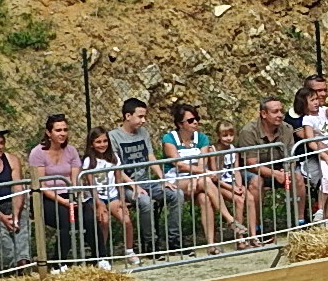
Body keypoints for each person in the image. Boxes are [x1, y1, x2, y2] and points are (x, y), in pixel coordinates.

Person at [110, 97, 183, 254]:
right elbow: (117, 168)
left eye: (145, 116)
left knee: (176, 193)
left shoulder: (143, 133)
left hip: (147, 180)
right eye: (140, 116)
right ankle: (150, 242)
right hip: (126, 184)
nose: (143, 120)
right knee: (144, 201)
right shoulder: (114, 137)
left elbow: (150, 157)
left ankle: (174, 240)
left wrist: (163, 179)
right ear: (128, 116)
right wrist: (134, 186)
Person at [160, 104, 230, 251]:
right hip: (176, 179)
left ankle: (211, 244)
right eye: (191, 120)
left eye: (196, 119)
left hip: (198, 179)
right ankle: (229, 218)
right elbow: (180, 165)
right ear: (180, 124)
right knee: (206, 180)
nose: (195, 123)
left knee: (205, 199)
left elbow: (202, 162)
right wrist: (198, 174)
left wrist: (196, 176)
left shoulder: (202, 138)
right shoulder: (169, 139)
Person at [30, 115, 98, 265]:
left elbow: (75, 179)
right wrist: (63, 202)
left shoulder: (71, 151)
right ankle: (59, 262)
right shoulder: (38, 153)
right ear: (49, 133)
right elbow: (40, 184)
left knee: (89, 216)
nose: (62, 133)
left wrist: (76, 196)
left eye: (65, 130)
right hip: (46, 197)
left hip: (69, 193)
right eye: (58, 130)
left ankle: (99, 257)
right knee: (65, 220)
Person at [238, 96, 302, 233]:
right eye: (275, 112)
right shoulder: (248, 132)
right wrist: (275, 174)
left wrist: (286, 171)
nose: (280, 115)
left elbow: (291, 156)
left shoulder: (287, 129)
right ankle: (256, 227)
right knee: (256, 182)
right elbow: (251, 164)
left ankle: (300, 222)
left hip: (280, 169)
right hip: (253, 171)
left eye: (281, 111)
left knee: (298, 177)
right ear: (263, 114)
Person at [82, 128, 136, 265]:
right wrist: (98, 203)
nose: (102, 144)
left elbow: (118, 180)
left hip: (112, 195)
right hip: (96, 196)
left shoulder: (114, 158)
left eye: (105, 141)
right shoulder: (89, 161)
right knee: (103, 221)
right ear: (91, 144)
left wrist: (122, 200)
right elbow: (90, 184)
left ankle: (129, 251)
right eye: (98, 142)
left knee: (127, 221)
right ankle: (102, 254)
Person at [294, 84, 328, 222]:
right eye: (312, 100)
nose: (317, 102)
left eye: (316, 99)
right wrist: (326, 156)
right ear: (304, 104)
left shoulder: (323, 110)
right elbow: (311, 141)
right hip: (326, 151)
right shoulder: (307, 119)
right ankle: (321, 210)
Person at [0, 124, 34, 269]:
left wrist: (15, 216)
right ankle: (13, 266)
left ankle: (23, 262)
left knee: (21, 224)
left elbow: (17, 188)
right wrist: (2, 217)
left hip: (13, 203)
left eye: (2, 143)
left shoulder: (12, 160)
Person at [212, 120, 254, 248]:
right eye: (225, 135)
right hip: (221, 184)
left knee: (250, 198)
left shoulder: (233, 150)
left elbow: (236, 170)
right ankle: (239, 237)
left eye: (231, 135)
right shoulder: (213, 150)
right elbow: (215, 177)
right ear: (218, 136)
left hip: (233, 182)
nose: (228, 138)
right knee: (239, 200)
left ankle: (253, 235)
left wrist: (239, 186)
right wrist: (231, 188)